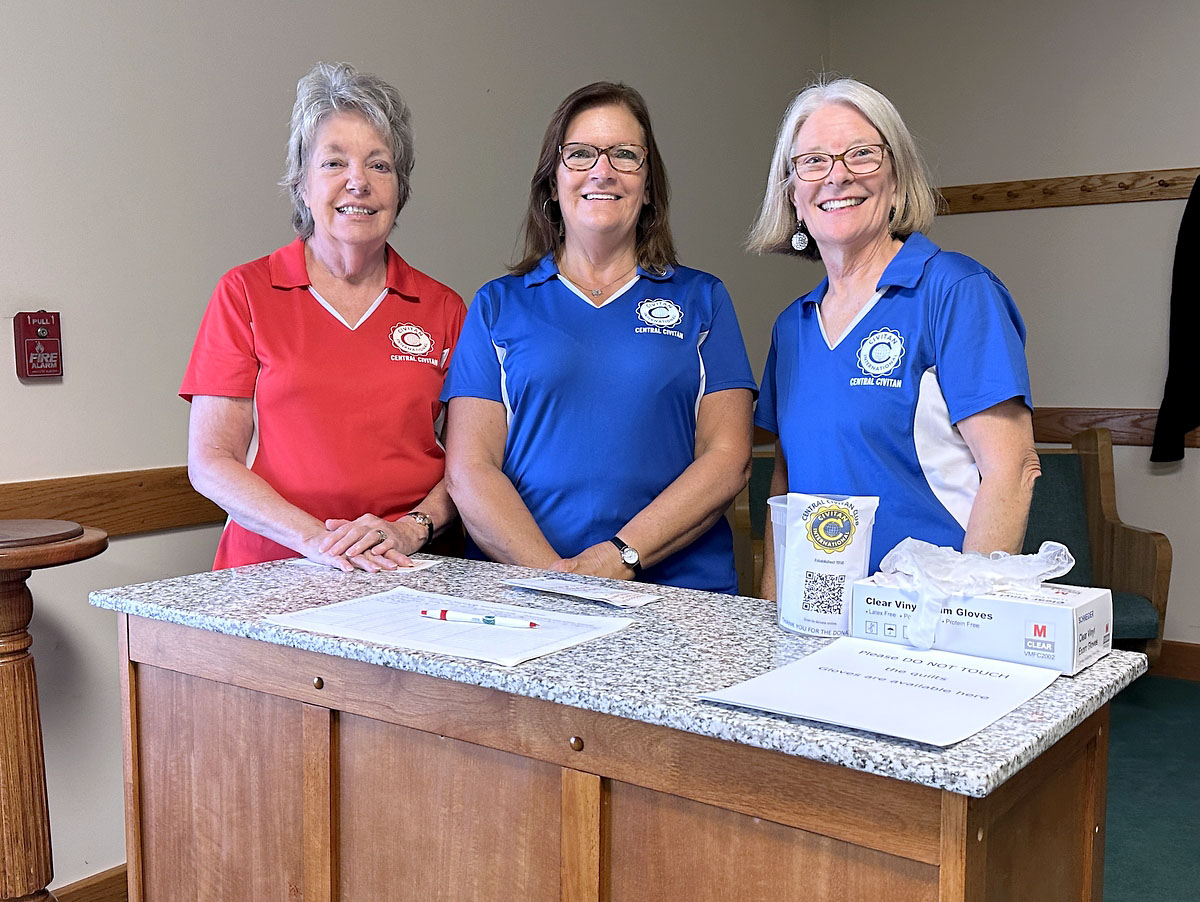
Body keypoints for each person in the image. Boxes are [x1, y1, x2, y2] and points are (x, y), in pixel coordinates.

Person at [442, 82, 755, 594]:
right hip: (524, 588)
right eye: (580, 153)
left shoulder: (704, 300)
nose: (602, 170)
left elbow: (727, 460)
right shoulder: (498, 305)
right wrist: (554, 578)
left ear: (649, 186)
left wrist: (619, 557)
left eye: (626, 155)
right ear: (553, 182)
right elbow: (470, 469)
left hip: (675, 594)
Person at [747, 77, 1040, 598]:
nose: (837, 176)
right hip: (816, 615)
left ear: (897, 179)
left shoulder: (955, 289)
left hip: (926, 615)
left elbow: (1012, 469)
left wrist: (963, 613)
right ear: (793, 195)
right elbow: (786, 487)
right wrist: (771, 612)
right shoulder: (792, 327)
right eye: (813, 161)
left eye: (861, 154)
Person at [182, 62, 466, 572]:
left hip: (407, 568)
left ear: (399, 188)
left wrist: (409, 530)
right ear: (301, 183)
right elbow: (211, 461)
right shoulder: (245, 293)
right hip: (274, 567)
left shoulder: (444, 307)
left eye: (379, 166)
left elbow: (473, 462)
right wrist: (318, 541)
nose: (359, 182)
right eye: (334, 163)